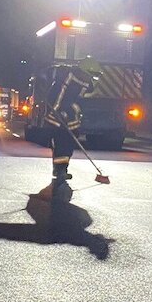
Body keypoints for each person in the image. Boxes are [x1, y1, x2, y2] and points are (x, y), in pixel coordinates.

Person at [39, 57, 102, 200]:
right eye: (91, 75)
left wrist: (71, 113)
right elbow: (57, 96)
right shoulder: (68, 77)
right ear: (83, 71)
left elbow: (79, 97)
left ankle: (61, 169)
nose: (91, 78)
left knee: (69, 143)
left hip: (70, 116)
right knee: (62, 143)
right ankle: (60, 171)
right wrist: (60, 111)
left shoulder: (85, 81)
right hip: (57, 115)